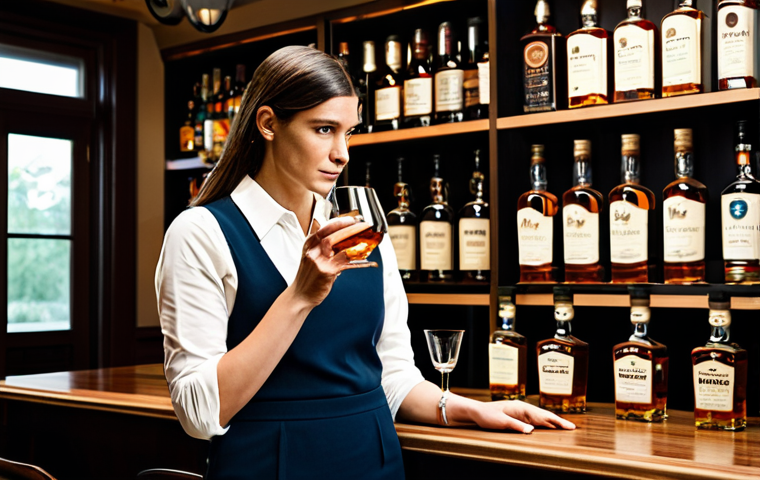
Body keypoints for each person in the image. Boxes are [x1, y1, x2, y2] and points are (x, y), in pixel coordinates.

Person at [155, 45, 574, 480]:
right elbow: (199, 412)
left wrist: (468, 410)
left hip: (374, 460)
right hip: (267, 465)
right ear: (268, 124)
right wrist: (299, 297)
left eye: (348, 132)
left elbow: (392, 376)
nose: (343, 153)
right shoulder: (200, 233)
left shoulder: (362, 229)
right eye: (323, 130)